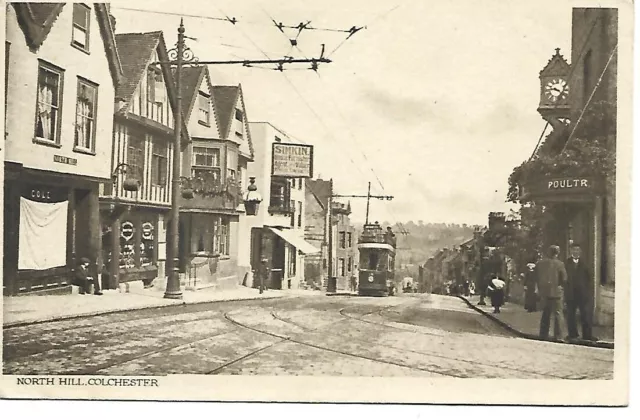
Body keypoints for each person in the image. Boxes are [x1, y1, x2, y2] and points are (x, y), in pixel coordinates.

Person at [565, 243, 597, 341]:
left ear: (580, 252)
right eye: (574, 250)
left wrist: (587, 290)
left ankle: (587, 335)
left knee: (585, 315)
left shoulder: (584, 263)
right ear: (571, 251)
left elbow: (590, 278)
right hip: (570, 293)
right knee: (570, 315)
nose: (576, 252)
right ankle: (572, 334)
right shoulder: (566, 263)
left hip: (582, 294)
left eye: (578, 250)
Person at [535, 245, 567, 341]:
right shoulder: (560, 264)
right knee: (558, 314)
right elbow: (564, 278)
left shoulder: (540, 263)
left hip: (544, 292)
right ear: (557, 253)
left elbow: (535, 277)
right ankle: (558, 336)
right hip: (556, 293)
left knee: (545, 314)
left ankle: (543, 335)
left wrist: (540, 288)